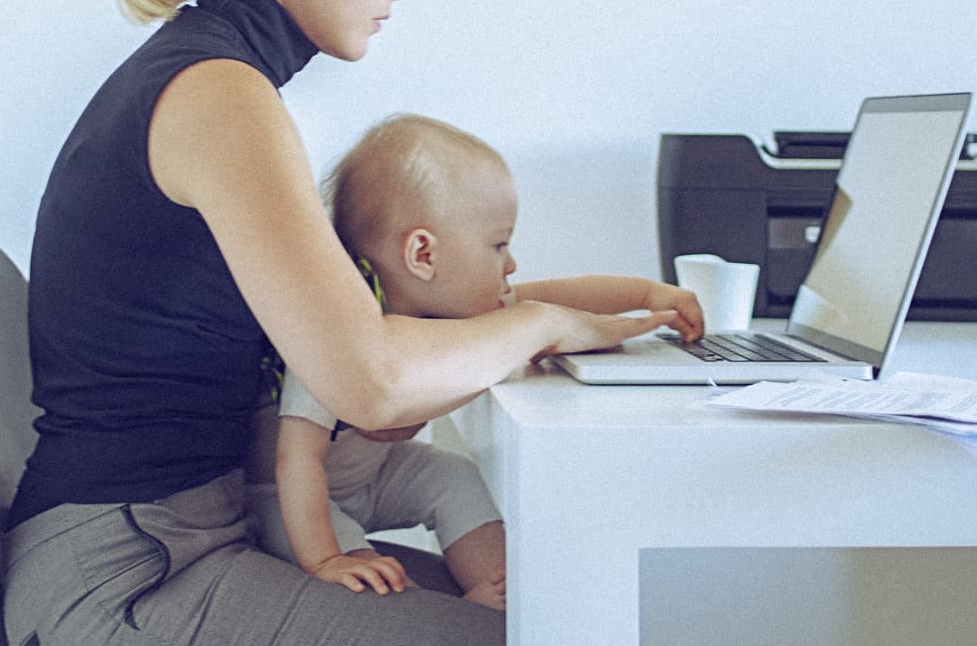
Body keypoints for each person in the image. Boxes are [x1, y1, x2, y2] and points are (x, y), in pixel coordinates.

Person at [4, 0, 685, 646]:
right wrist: (542, 326)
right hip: (128, 581)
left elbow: (372, 335)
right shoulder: (219, 96)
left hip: (178, 543)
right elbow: (368, 377)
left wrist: (579, 306)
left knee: (561, 619)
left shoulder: (225, 83)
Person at [247, 114, 706, 613]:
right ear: (423, 254)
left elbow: (550, 299)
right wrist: (327, 558)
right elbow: (295, 457)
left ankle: (498, 587)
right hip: (291, 497)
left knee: (453, 476)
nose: (511, 265)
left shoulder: (453, 310)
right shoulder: (337, 331)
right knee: (365, 573)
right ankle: (402, 603)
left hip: (373, 478)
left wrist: (645, 293)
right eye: (498, 245)